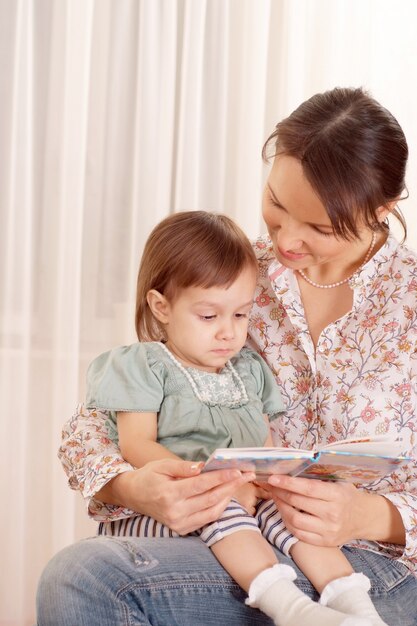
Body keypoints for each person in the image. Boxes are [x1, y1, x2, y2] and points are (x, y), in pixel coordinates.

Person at [36, 87, 417, 626]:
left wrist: (375, 517)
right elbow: (95, 427)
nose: (285, 242)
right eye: (277, 206)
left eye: (321, 228)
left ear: (382, 211)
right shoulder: (232, 276)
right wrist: (135, 486)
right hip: (239, 542)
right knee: (85, 575)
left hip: (380, 568)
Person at [84, 210, 383, 626]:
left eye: (240, 315)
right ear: (161, 306)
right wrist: (215, 483)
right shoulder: (144, 364)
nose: (228, 331)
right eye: (210, 316)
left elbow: (264, 444)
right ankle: (291, 609)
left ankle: (357, 608)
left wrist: (279, 479)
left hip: (242, 499)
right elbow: (136, 445)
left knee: (293, 511)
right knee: (223, 509)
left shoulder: (248, 369)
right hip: (175, 509)